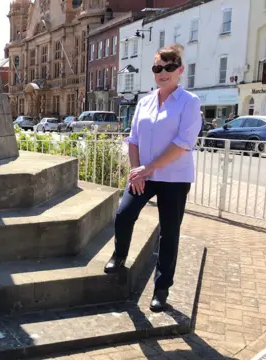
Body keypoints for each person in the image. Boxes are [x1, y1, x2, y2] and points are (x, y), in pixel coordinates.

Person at [103, 44, 202, 312]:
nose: (163, 72)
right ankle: (119, 255)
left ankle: (161, 289)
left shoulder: (189, 103)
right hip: (143, 175)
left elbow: (183, 143)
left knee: (169, 234)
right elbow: (133, 139)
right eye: (158, 68)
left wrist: (148, 169)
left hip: (174, 178)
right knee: (124, 215)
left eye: (169, 67)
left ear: (180, 70)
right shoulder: (145, 102)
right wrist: (137, 171)